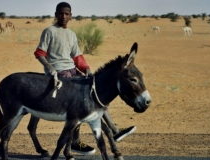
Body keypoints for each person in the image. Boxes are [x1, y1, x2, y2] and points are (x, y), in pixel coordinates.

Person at [34, 2, 136, 155]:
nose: (63, 16)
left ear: (71, 16)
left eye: (66, 14)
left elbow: (77, 56)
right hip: (59, 73)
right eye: (61, 13)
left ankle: (113, 130)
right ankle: (89, 138)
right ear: (56, 14)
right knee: (81, 104)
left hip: (72, 70)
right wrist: (50, 67)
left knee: (96, 95)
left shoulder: (72, 35)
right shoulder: (49, 31)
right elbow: (40, 53)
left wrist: (86, 69)